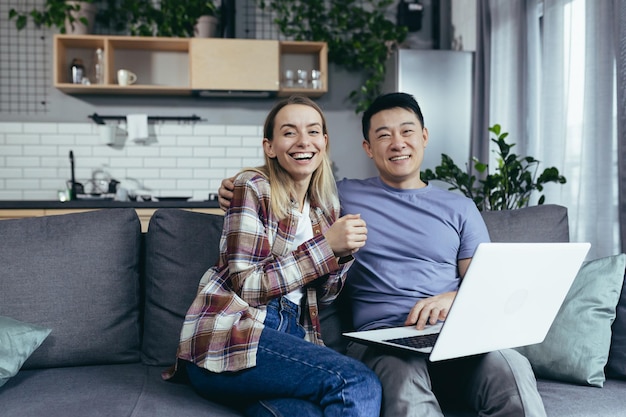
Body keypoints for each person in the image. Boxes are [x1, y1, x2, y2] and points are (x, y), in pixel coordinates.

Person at [218, 92, 547, 417]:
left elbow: (488, 283)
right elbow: (290, 182)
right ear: (369, 148)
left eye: (407, 131)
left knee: (511, 367)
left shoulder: (460, 208)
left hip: (455, 333)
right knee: (403, 380)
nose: (398, 143)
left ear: (424, 137)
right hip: (381, 340)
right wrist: (234, 189)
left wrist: (452, 299)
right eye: (383, 135)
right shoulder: (338, 196)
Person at [165, 95, 382, 417]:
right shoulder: (252, 187)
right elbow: (248, 285)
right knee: (355, 381)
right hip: (233, 334)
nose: (303, 141)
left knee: (301, 412)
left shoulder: (328, 208)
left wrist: (342, 255)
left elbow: (325, 296)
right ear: (270, 146)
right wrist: (326, 247)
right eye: (289, 132)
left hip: (292, 338)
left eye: (312, 131)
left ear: (324, 141)